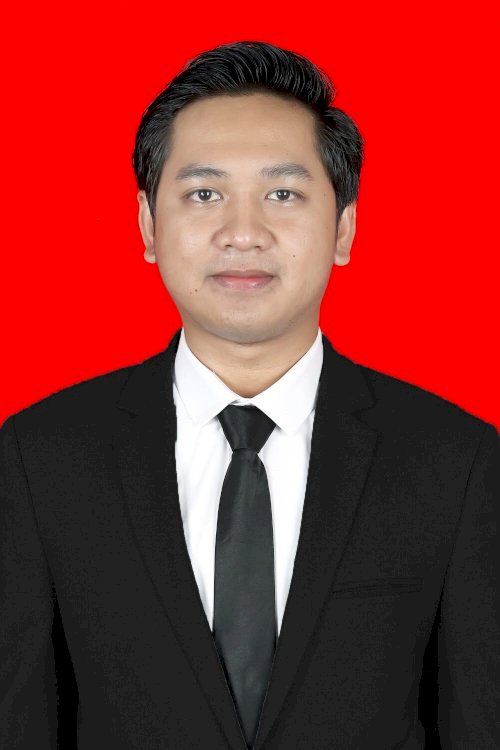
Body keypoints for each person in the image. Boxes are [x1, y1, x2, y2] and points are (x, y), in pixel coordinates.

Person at [0, 40, 498, 750]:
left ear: (344, 228)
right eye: (204, 194)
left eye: (283, 194)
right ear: (148, 225)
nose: (243, 233)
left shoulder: (455, 459)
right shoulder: (41, 456)